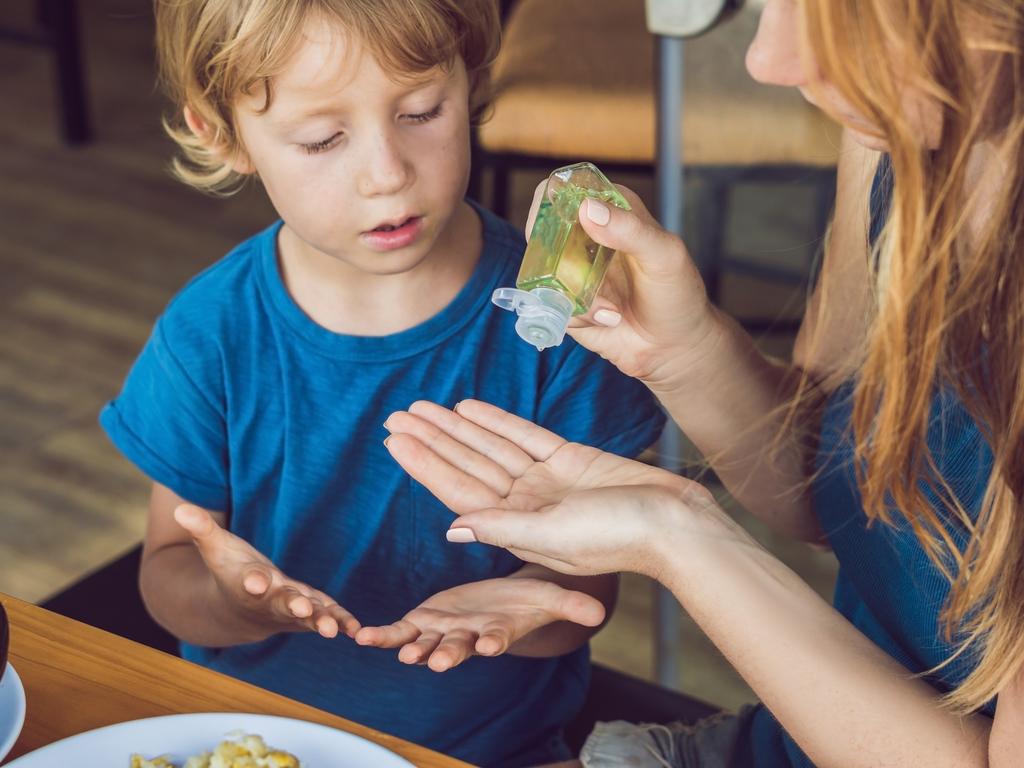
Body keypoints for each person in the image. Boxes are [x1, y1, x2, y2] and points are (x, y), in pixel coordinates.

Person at [381, 0, 1024, 765]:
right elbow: (838, 489)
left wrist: (677, 539)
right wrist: (683, 352)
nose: (769, 61)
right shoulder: (899, 129)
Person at [99, 2, 666, 766]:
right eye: (321, 138)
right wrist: (234, 605)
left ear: (472, 85)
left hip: (489, 750)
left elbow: (582, 602)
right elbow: (168, 574)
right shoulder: (211, 334)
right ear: (222, 135)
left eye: (422, 111)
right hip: (254, 741)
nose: (387, 173)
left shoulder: (562, 324)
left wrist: (528, 611)